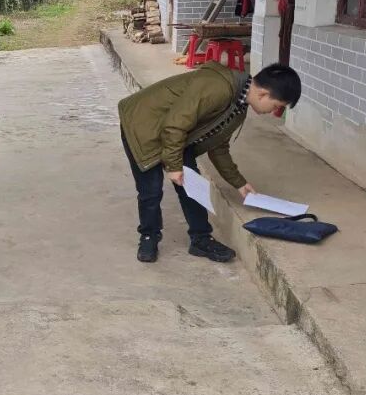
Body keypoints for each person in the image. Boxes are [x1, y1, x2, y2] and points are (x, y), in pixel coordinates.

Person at [118, 61, 302, 263]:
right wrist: (173, 166)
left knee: (191, 186)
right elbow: (174, 125)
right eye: (276, 106)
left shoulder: (239, 107)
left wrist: (239, 182)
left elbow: (218, 146)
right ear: (263, 94)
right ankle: (149, 236)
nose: (273, 112)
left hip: (176, 134)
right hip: (143, 126)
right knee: (151, 190)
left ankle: (201, 239)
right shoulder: (218, 88)